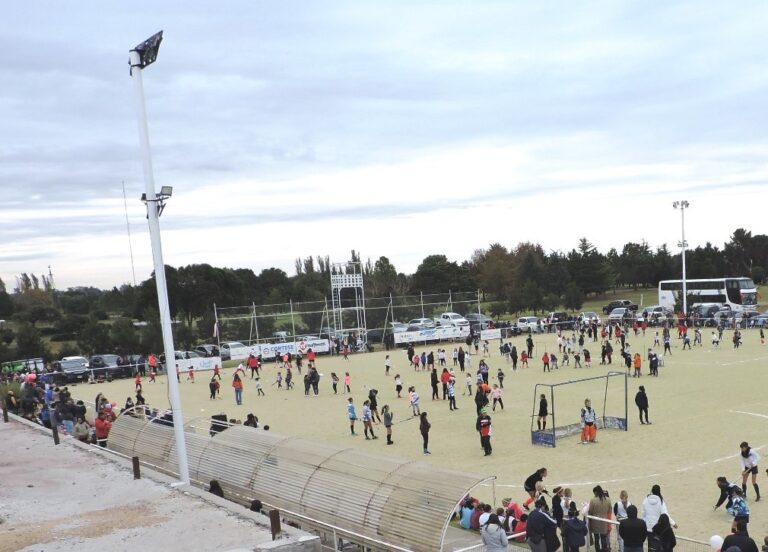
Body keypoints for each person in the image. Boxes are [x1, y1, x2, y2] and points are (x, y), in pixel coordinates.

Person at [587, 485, 612, 552]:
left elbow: (590, 512)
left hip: (595, 522)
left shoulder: (593, 500)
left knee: (596, 539)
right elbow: (610, 511)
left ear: (595, 492)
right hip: (604, 521)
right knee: (604, 538)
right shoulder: (608, 499)